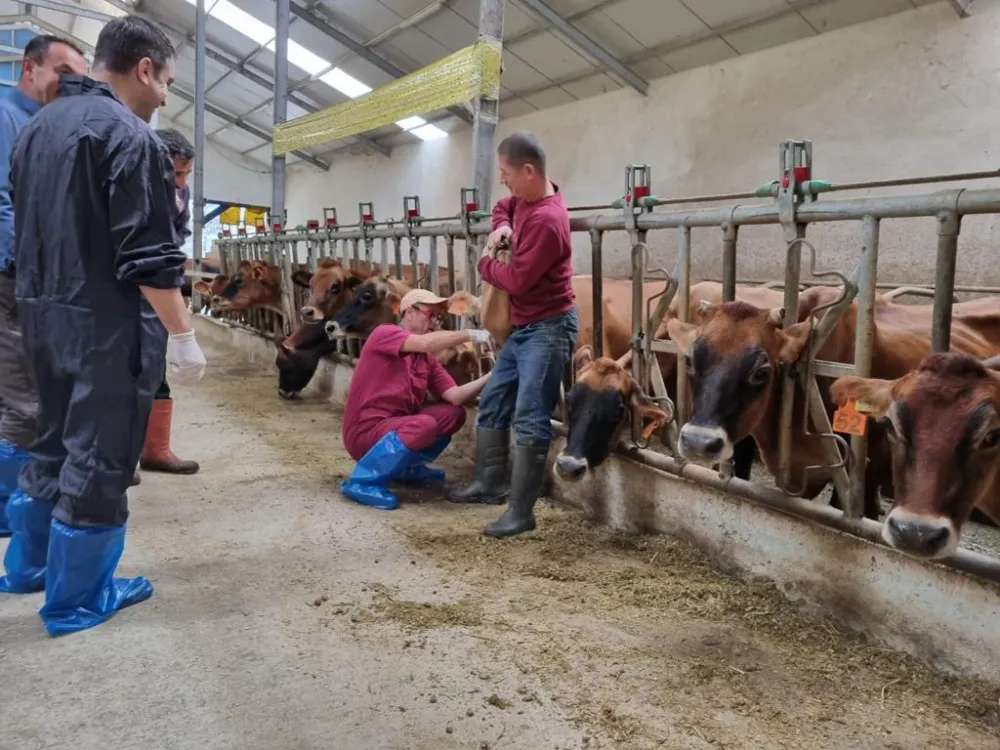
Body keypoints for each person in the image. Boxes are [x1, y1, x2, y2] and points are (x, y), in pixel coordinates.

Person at [0, 16, 207, 637]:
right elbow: (148, 254)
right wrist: (182, 335)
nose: (164, 97)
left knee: (50, 439)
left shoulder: (38, 129)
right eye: (167, 81)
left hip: (41, 316)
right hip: (106, 328)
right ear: (144, 69)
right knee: (101, 454)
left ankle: (29, 566)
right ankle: (78, 599)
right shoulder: (130, 137)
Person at [449, 131, 578, 539]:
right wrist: (501, 227)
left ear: (529, 170)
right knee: (493, 400)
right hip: (523, 328)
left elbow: (518, 280)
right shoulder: (524, 199)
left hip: (548, 328)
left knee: (529, 415)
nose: (502, 180)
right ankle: (489, 484)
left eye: (506, 173)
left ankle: (521, 512)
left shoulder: (547, 220)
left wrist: (484, 264)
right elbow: (503, 205)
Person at [0, 35, 87, 537]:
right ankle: (14, 513)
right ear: (29, 68)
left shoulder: (42, 125)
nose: (69, 84)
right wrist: (25, 267)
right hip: (13, 279)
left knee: (19, 393)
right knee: (26, 400)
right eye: (62, 71)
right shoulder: (6, 119)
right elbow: (2, 202)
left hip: (31, 277)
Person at [340, 289, 492, 511]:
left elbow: (455, 396)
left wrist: (492, 376)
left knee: (453, 415)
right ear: (409, 312)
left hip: (395, 427)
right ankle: (363, 481)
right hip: (365, 433)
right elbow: (426, 343)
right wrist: (473, 334)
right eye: (430, 314)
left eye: (438, 316)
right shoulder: (384, 333)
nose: (435, 321)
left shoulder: (425, 359)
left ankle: (406, 468)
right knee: (424, 424)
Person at [139, 126, 199, 475]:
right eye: (175, 173)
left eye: (186, 174)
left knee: (155, 364)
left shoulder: (181, 193)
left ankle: (155, 450)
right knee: (125, 370)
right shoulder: (135, 191)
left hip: (160, 285)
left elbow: (178, 234)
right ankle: (121, 452)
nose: (181, 182)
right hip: (130, 288)